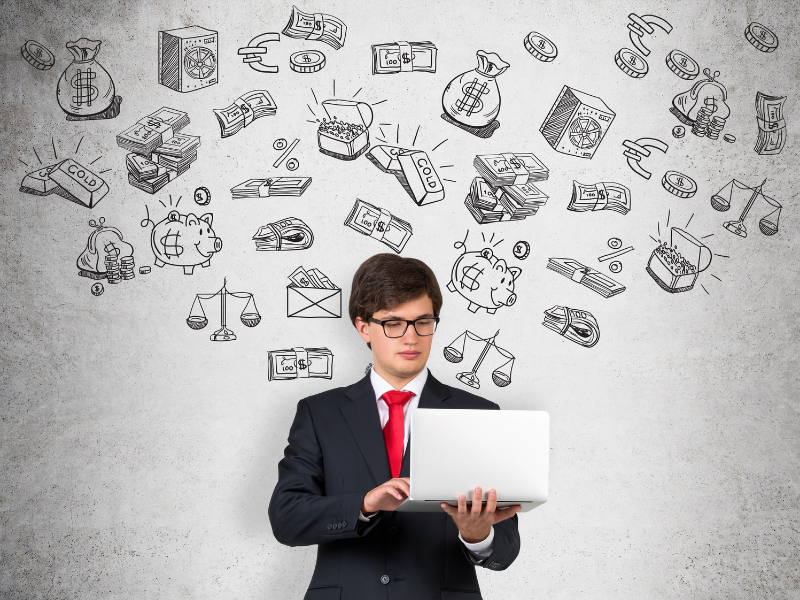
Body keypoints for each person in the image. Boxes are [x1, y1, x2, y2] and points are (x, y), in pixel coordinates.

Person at [269, 253, 521, 600]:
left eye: (423, 322)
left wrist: (478, 535)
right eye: (393, 323)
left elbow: (506, 549)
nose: (411, 338)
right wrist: (364, 504)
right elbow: (286, 518)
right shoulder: (319, 413)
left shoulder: (478, 414)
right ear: (363, 328)